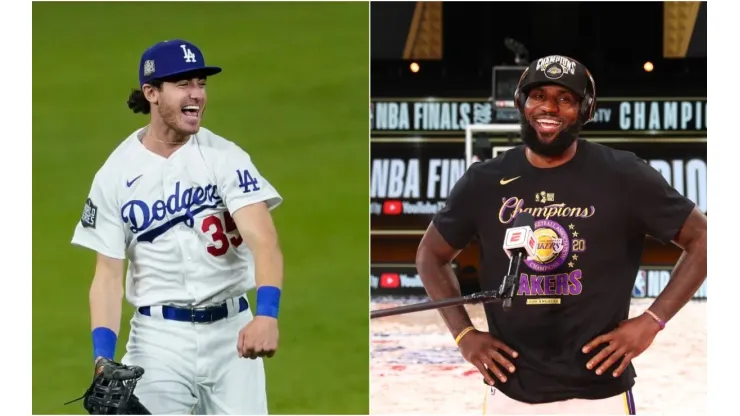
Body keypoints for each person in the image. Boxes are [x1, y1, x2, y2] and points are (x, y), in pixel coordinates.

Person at [416, 55, 707, 414]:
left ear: (586, 110)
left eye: (565, 98)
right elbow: (430, 254)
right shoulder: (484, 181)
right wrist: (464, 335)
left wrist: (652, 320)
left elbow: (705, 238)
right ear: (522, 104)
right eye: (538, 95)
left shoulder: (624, 175)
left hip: (600, 395)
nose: (549, 107)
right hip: (510, 393)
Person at [71, 39, 284, 415]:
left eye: (201, 83)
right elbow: (106, 276)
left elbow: (264, 240)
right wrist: (102, 358)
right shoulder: (114, 175)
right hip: (158, 342)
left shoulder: (226, 159)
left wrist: (267, 312)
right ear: (152, 93)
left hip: (231, 335)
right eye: (184, 84)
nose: (197, 95)